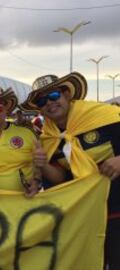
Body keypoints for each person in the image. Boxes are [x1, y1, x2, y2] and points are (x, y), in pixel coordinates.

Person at [22, 72, 120, 270]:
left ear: (66, 94)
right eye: (42, 101)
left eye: (54, 96)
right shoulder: (48, 138)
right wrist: (43, 165)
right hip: (86, 216)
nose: (49, 103)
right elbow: (61, 179)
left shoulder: (104, 115)